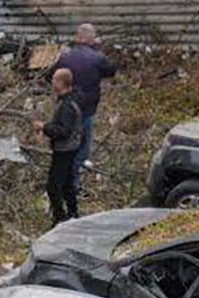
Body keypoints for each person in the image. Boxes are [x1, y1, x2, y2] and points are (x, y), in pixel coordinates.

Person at [51, 23, 115, 197]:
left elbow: (52, 74)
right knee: (81, 150)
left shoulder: (65, 56)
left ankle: (62, 183)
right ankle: (73, 187)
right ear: (92, 39)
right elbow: (111, 71)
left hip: (66, 108)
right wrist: (99, 49)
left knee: (65, 146)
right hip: (86, 111)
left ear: (78, 37)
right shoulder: (97, 57)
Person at [39, 68, 83, 226]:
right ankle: (73, 213)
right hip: (70, 148)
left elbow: (63, 131)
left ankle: (60, 218)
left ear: (62, 83)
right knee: (67, 184)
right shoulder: (71, 100)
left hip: (65, 150)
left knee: (53, 186)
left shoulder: (67, 105)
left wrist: (44, 128)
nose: (52, 82)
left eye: (55, 80)